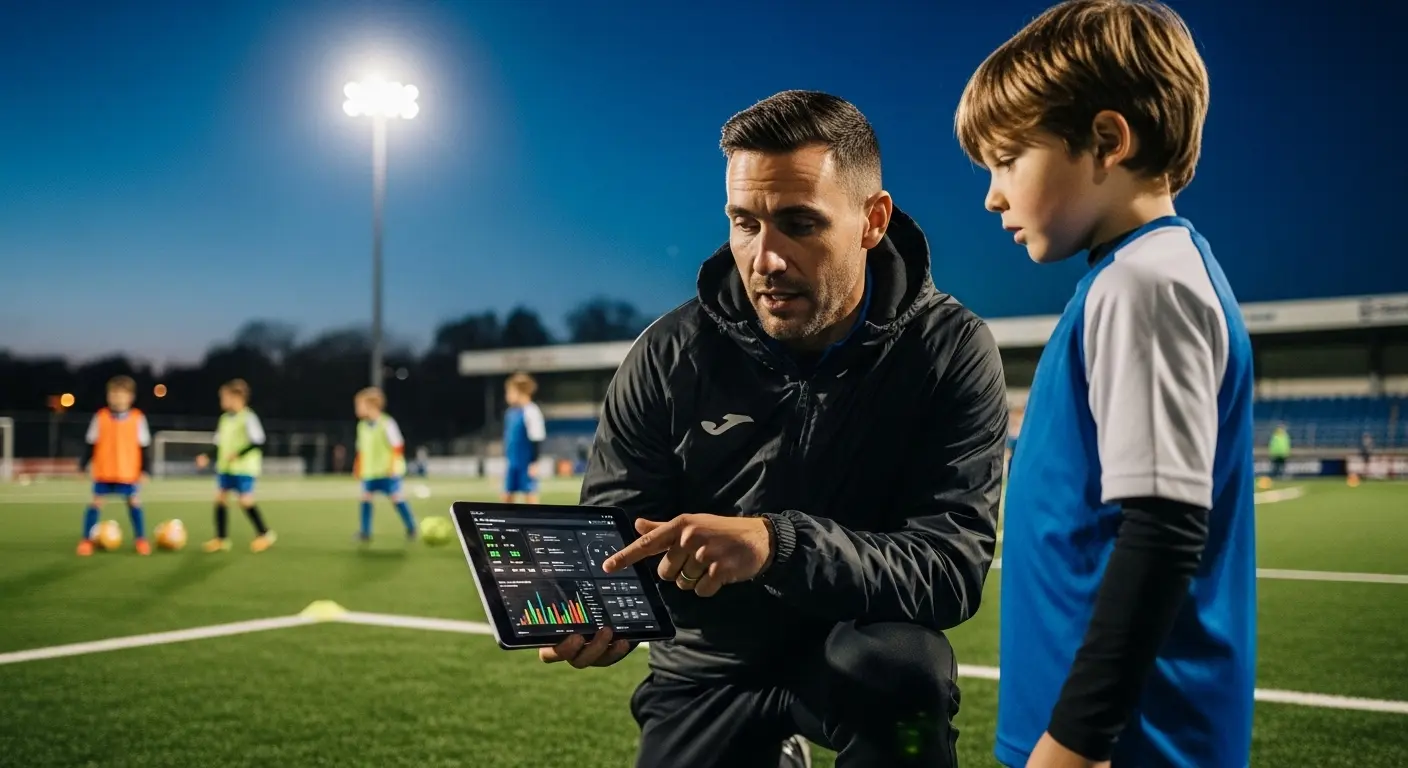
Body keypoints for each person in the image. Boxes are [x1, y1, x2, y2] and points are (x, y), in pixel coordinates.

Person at [545, 90, 1009, 768]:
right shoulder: (668, 352)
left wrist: (778, 545)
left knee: (910, 685)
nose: (766, 258)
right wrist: (606, 606)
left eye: (799, 223)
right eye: (745, 223)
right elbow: (619, 527)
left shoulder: (948, 350)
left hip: (861, 650)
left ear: (871, 221)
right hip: (709, 662)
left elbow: (950, 568)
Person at [954, 1, 1256, 766]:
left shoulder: (1146, 285)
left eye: (1008, 160)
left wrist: (1074, 743)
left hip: (1126, 743)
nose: (992, 194)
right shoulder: (1132, 279)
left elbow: (1162, 531)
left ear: (1106, 141)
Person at [76, 375, 153, 556]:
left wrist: (145, 470)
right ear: (108, 396)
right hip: (104, 470)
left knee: (134, 502)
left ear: (130, 397)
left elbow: (144, 447)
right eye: (113, 394)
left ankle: (141, 539)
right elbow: (90, 444)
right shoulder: (100, 417)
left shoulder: (138, 418)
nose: (117, 398)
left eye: (121, 394)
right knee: (95, 503)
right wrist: (82, 466)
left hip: (128, 472)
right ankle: (86, 540)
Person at [197, 379, 277, 553]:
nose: (222, 401)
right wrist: (207, 456)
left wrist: (238, 454)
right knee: (220, 498)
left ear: (237, 398)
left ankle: (265, 533)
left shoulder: (248, 417)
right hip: (226, 468)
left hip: (245, 468)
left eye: (224, 397)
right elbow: (219, 443)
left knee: (245, 501)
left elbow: (258, 441)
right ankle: (221, 539)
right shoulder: (224, 419)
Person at [353, 386, 418, 542]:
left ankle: (411, 527)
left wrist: (392, 465)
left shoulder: (387, 423)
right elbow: (361, 449)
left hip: (388, 471)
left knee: (396, 498)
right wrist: (358, 465)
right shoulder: (361, 426)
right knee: (365, 498)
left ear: (371, 406)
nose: (357, 409)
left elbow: (397, 446)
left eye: (359, 405)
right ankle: (365, 532)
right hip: (370, 472)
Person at [501, 372, 546, 504]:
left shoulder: (531, 411)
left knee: (530, 493)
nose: (507, 396)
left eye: (510, 392)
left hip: (525, 462)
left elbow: (537, 438)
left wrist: (534, 462)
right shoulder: (510, 413)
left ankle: (535, 522)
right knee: (507, 494)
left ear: (521, 392)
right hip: (512, 462)